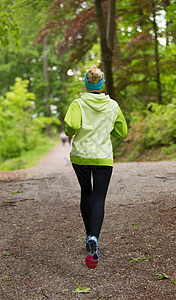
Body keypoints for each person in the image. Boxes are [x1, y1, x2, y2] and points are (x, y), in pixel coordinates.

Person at [64, 66, 128, 269]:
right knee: (99, 198)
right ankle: (94, 237)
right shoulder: (113, 105)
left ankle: (87, 234)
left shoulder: (78, 104)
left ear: (86, 83)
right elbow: (121, 131)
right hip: (103, 158)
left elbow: (71, 127)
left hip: (81, 157)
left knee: (86, 192)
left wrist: (73, 128)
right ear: (101, 83)